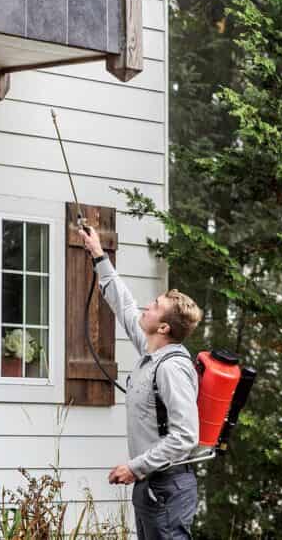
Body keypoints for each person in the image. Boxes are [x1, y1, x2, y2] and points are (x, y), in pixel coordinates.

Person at [78, 226, 204, 540]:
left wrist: (136, 467)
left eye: (156, 305)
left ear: (163, 326)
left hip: (167, 487)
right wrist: (98, 254)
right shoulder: (153, 354)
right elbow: (124, 306)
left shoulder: (172, 368)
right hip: (154, 486)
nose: (147, 307)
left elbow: (186, 436)